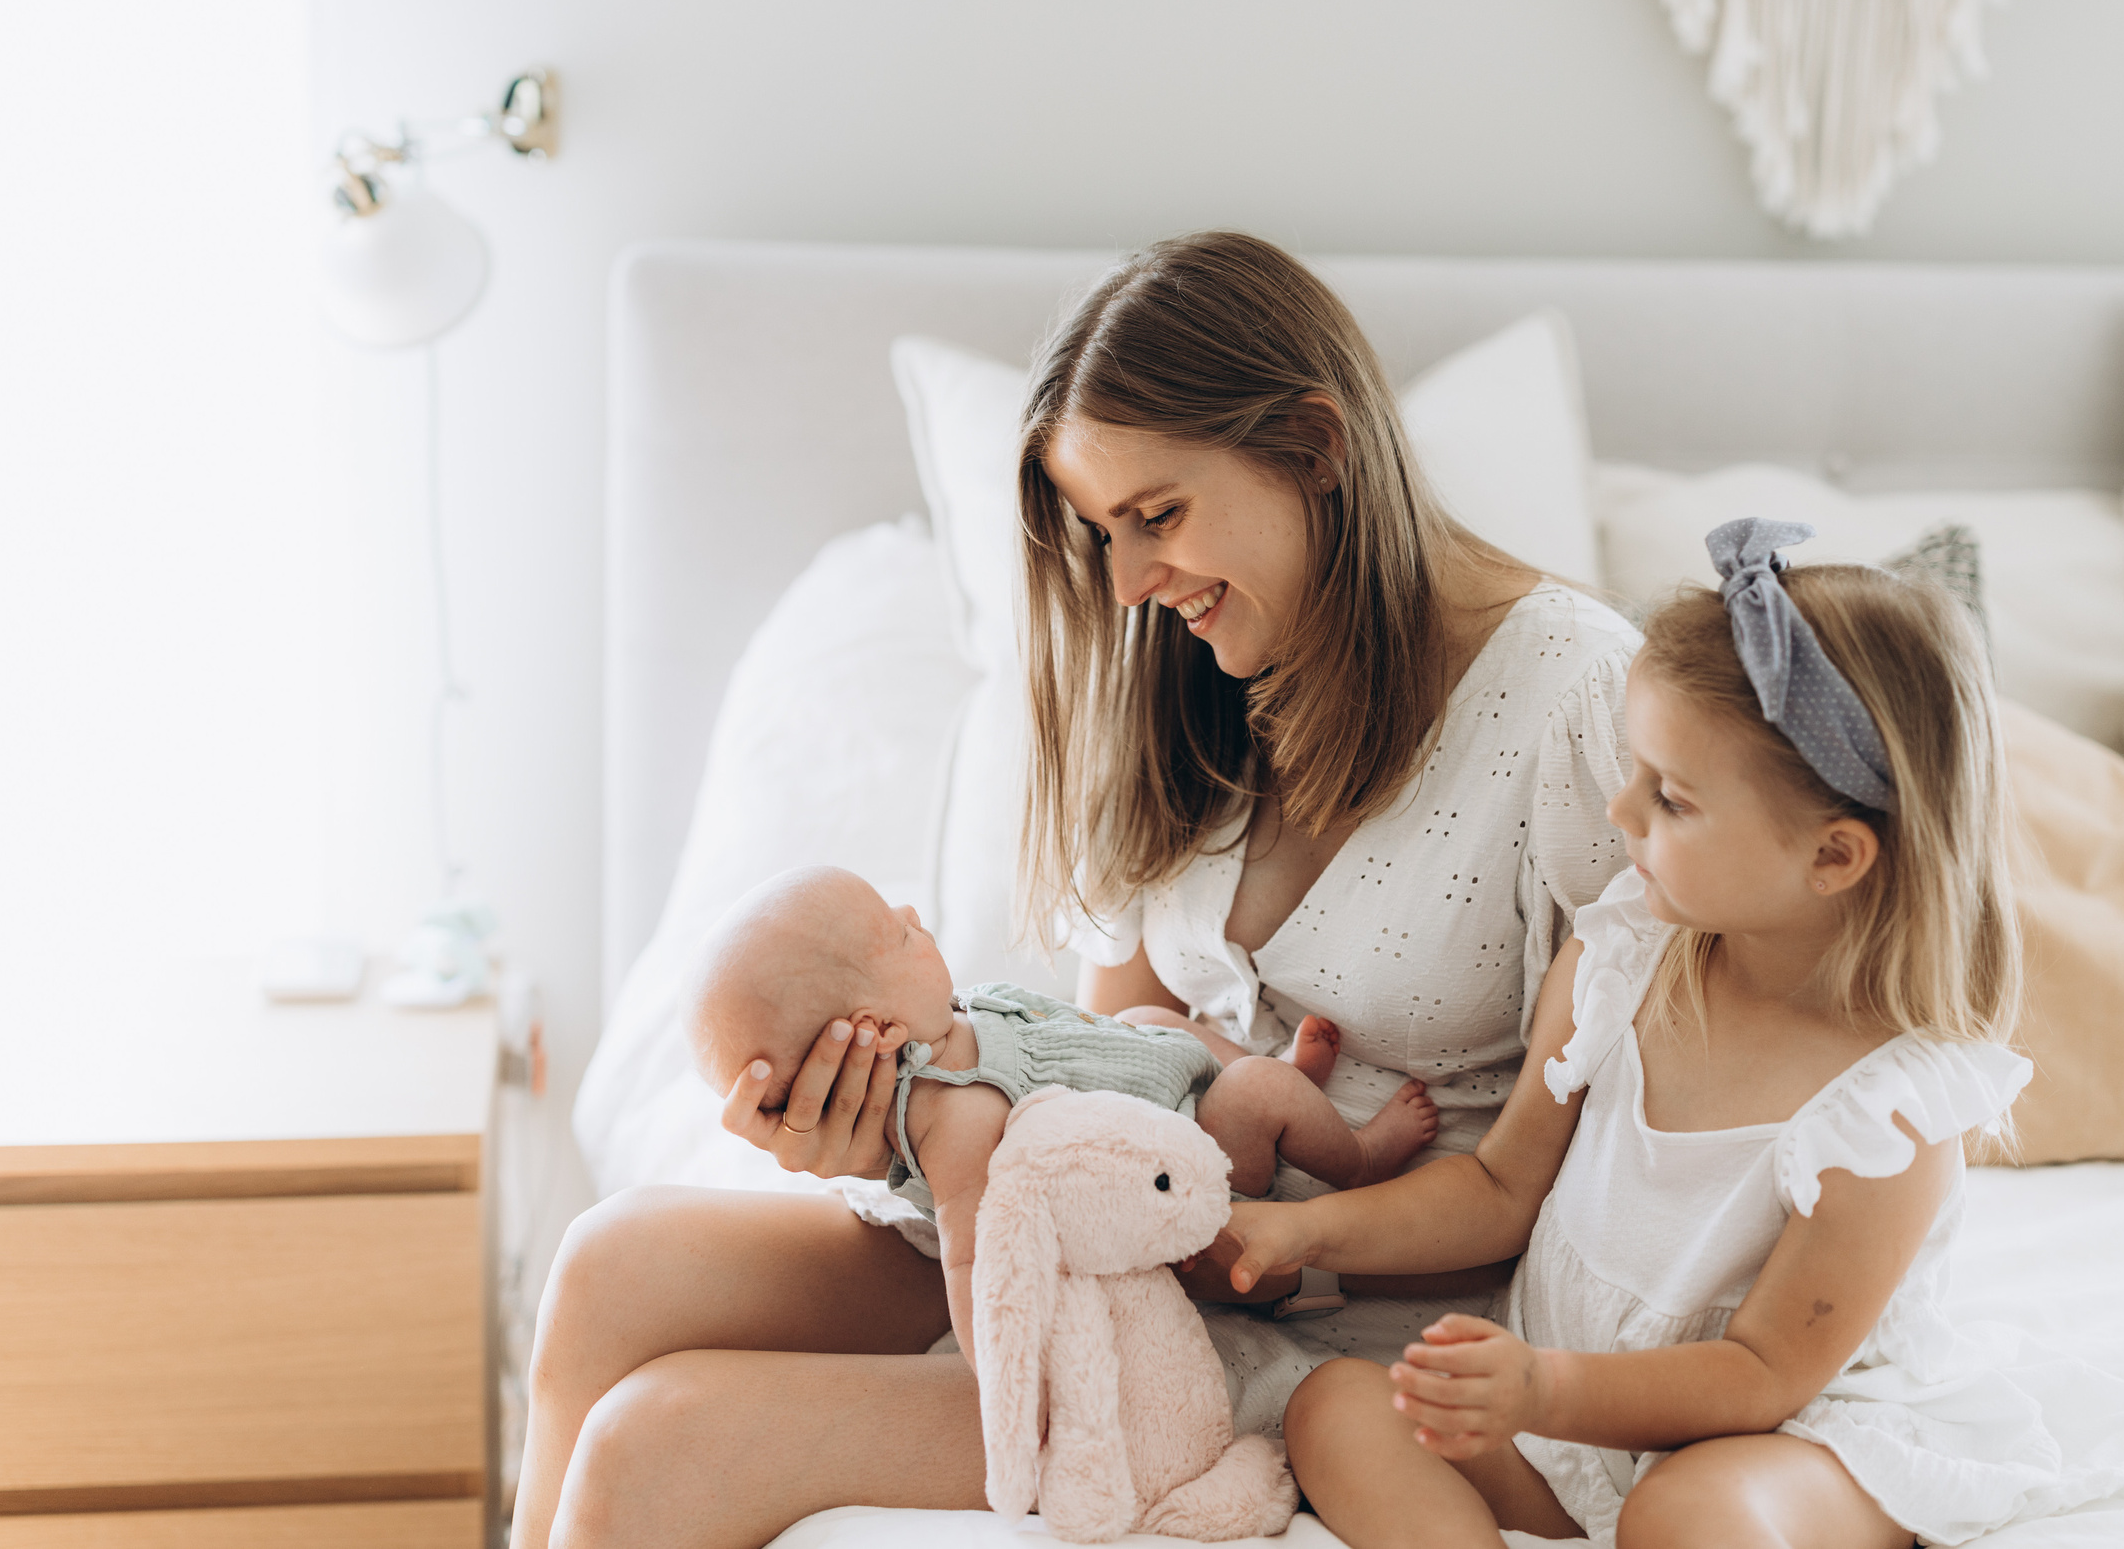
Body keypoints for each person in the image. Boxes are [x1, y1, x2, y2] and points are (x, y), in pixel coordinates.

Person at [510, 231, 1642, 1549]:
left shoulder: (1581, 703)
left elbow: (1580, 1187)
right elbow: (1116, 1045)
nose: (1129, 584)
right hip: (1096, 1233)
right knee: (605, 1265)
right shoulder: (1188, 676)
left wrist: (1265, 1226)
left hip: (1315, 1311)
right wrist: (896, 1140)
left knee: (661, 1440)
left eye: (1156, 515)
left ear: (1317, 446)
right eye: (1102, 532)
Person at [1214, 522, 2124, 1548]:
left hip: (1784, 1429)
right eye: (1637, 772)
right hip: (1568, 1419)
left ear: (1833, 856)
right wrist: (1306, 1235)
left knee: (1691, 1512)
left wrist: (1546, 1389)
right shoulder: (1617, 963)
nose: (1619, 808)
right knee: (1338, 1406)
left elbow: (1763, 1371)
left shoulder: (1884, 1114)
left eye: (1669, 798)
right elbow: (1499, 1191)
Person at [683, 864, 1442, 1362]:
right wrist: (1000, 1363)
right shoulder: (956, 1116)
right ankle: (1360, 1154)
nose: (916, 912)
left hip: (1167, 1089)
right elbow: (974, 1255)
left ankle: (1282, 1088)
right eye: (899, 931)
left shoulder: (952, 1025)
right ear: (877, 1030)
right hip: (1195, 1173)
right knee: (1251, 1097)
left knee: (1150, 1013)